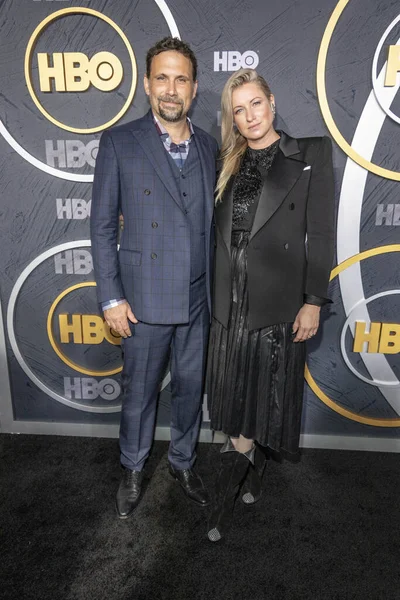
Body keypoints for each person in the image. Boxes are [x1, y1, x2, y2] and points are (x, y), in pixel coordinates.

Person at [90, 37, 219, 519]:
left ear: (195, 87)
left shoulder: (209, 146)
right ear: (147, 85)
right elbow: (102, 227)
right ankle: (132, 467)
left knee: (191, 390)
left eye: (181, 78)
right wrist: (110, 298)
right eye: (162, 78)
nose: (171, 88)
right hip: (141, 302)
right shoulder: (120, 142)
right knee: (139, 393)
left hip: (198, 300)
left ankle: (183, 462)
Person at [206, 68, 335, 542]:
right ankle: (251, 464)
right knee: (234, 396)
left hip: (277, 302)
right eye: (238, 110)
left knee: (261, 397)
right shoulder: (224, 160)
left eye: (255, 103)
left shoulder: (310, 154)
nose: (249, 116)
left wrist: (314, 301)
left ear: (272, 102)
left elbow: (320, 233)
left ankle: (222, 498)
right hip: (227, 303)